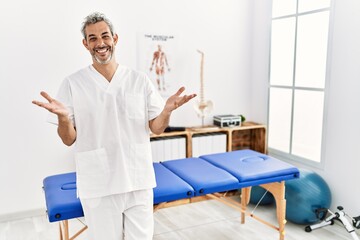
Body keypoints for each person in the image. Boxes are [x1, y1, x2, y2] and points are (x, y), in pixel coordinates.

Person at [32, 12, 196, 240]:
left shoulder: (139, 80)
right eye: (92, 38)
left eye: (104, 36)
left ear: (115, 39)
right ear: (85, 44)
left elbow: (156, 128)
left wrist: (166, 111)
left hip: (137, 181)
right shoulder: (73, 83)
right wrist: (63, 118)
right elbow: (68, 139)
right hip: (99, 184)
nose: (100, 43)